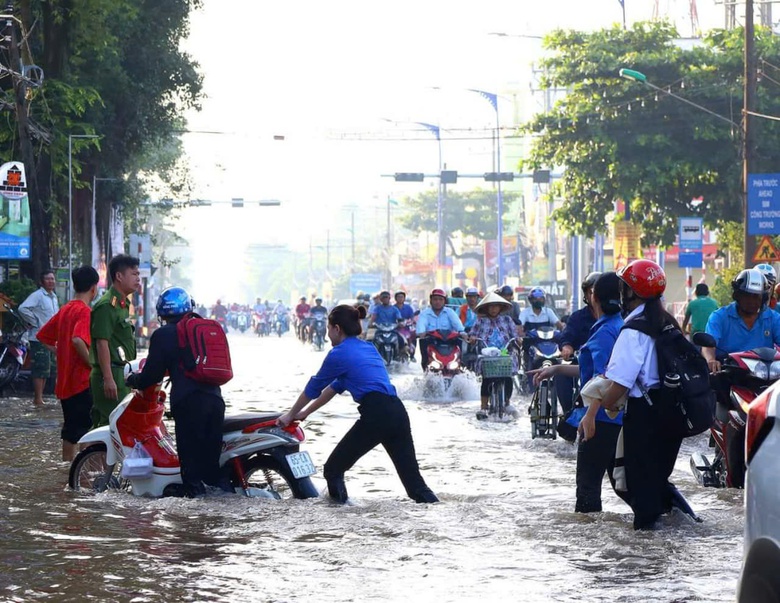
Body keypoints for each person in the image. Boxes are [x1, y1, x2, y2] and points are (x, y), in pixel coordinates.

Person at [276, 305, 438, 504]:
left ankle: (341, 519)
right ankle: (440, 517)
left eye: (328, 329)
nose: (327, 335)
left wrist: (290, 415)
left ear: (337, 328)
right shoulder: (367, 347)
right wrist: (305, 412)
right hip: (397, 412)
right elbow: (334, 388)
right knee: (415, 485)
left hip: (376, 414)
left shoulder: (339, 353)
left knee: (333, 470)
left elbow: (314, 387)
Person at [598, 259, 684, 530]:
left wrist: (602, 405)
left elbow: (620, 384)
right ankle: (674, 535)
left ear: (632, 293)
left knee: (638, 486)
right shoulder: (667, 322)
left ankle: (645, 560)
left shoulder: (634, 331)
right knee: (656, 480)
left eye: (624, 288)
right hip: (672, 412)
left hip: (645, 415)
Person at [531, 272, 625, 512]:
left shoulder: (605, 332)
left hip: (601, 420)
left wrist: (591, 414)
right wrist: (557, 369)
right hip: (617, 417)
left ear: (594, 297)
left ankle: (590, 546)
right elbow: (590, 369)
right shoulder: (617, 325)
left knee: (587, 491)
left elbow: (604, 377)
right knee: (624, 485)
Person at [126, 287, 231, 498]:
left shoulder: (163, 335)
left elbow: (151, 376)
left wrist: (132, 380)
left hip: (188, 403)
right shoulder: (202, 328)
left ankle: (192, 524)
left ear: (162, 313)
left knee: (191, 470)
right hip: (215, 401)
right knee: (211, 468)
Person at [36, 266, 99, 461]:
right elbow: (78, 340)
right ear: (94, 289)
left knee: (70, 431)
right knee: (86, 431)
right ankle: (82, 475)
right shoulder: (84, 311)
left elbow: (43, 336)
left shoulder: (65, 309)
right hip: (80, 382)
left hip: (64, 384)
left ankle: (69, 471)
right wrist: (93, 365)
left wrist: (61, 352)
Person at [89, 254, 140, 428]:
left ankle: (90, 456)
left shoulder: (122, 304)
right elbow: (101, 343)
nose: (138, 279)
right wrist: (108, 378)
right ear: (119, 276)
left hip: (121, 373)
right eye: (134, 274)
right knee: (109, 427)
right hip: (111, 373)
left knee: (114, 427)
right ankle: (90, 456)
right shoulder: (106, 306)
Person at [468, 291, 520, 420]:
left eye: (496, 306)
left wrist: (518, 339)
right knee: (486, 380)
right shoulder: (481, 321)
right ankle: (484, 406)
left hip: (505, 352)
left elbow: (515, 334)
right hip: (487, 353)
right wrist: (473, 338)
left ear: (500, 308)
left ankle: (507, 402)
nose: (493, 309)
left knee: (508, 378)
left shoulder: (507, 320)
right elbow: (472, 334)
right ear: (486, 308)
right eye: (490, 306)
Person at [555, 272, 600, 413]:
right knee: (560, 374)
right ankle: (569, 413)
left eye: (598, 292)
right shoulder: (578, 317)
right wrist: (567, 347)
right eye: (591, 292)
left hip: (607, 366)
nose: (595, 297)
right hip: (581, 361)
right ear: (586, 295)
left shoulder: (619, 318)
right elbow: (567, 336)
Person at [19, 269, 60, 406]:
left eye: (52, 279)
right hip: (38, 338)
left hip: (51, 338)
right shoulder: (37, 295)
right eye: (48, 279)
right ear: (42, 282)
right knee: (39, 368)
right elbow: (22, 308)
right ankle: (37, 398)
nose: (51, 281)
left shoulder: (54, 297)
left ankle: (40, 398)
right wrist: (34, 322)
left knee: (46, 369)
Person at [416, 288, 466, 371]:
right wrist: (422, 333)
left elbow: (458, 326)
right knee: (423, 342)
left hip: (449, 340)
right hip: (431, 341)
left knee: (461, 343)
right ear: (431, 301)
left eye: (440, 299)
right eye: (435, 299)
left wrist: (462, 333)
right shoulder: (424, 314)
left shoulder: (450, 312)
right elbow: (421, 328)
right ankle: (426, 368)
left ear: (444, 301)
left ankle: (461, 365)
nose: (438, 302)